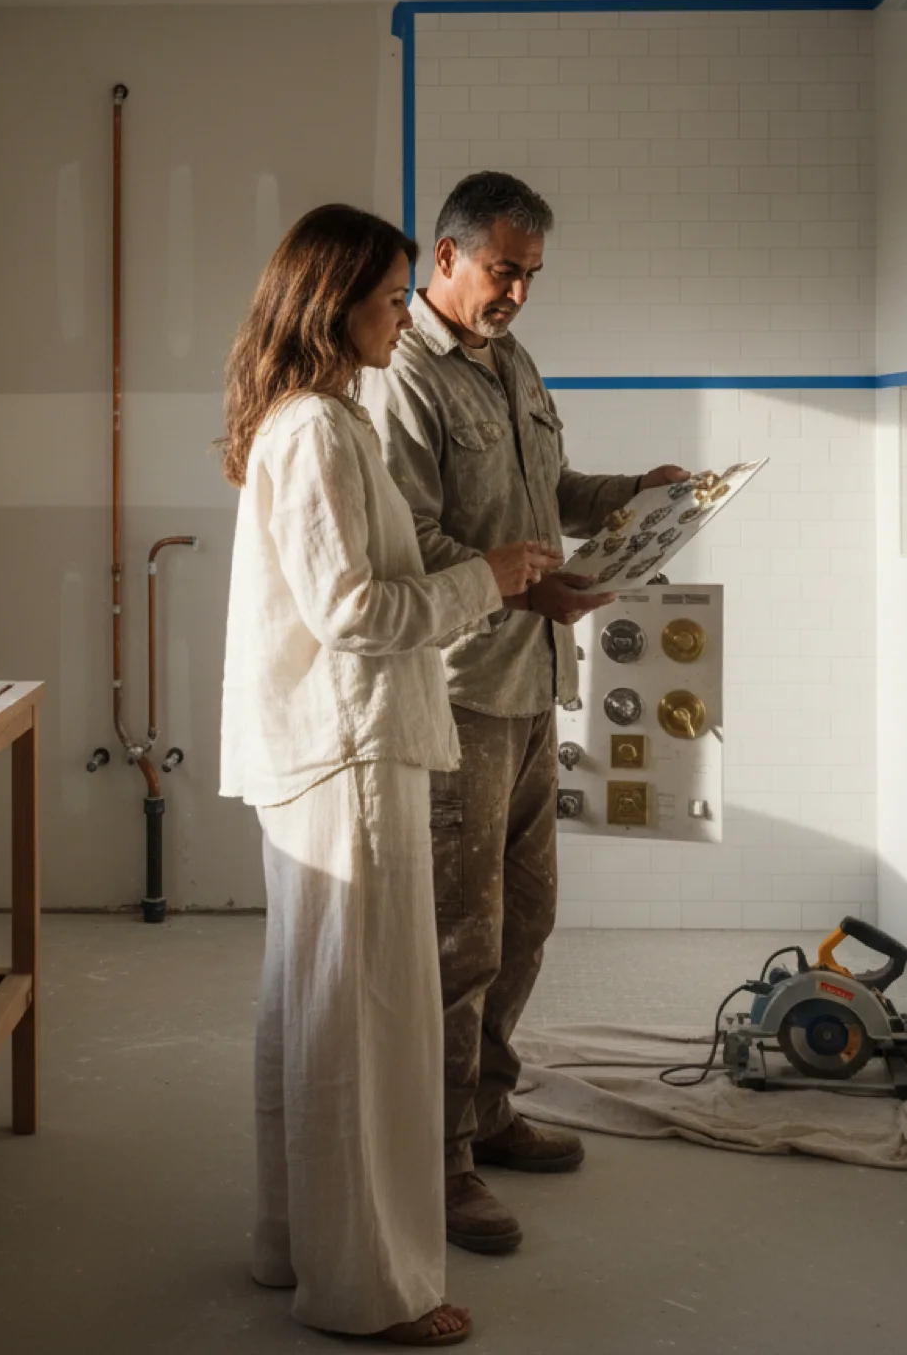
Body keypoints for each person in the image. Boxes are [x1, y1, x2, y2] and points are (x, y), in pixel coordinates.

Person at [219, 203, 564, 1347]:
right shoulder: (318, 427)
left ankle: (290, 1246)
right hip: (349, 748)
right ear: (331, 304)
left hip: (331, 746)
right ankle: (368, 1289)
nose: (394, 317)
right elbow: (355, 613)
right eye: (382, 297)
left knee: (311, 1015)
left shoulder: (317, 419)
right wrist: (494, 580)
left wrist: (501, 572)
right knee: (365, 1028)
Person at [364, 171, 692, 1255]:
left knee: (525, 920)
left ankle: (488, 1108)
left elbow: (539, 492)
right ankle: (439, 1158)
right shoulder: (399, 376)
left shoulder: (509, 362)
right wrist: (522, 586)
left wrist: (625, 493)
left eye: (531, 276)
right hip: (458, 693)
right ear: (446, 256)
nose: (517, 293)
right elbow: (406, 542)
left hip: (530, 683)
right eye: (504, 270)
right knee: (460, 938)